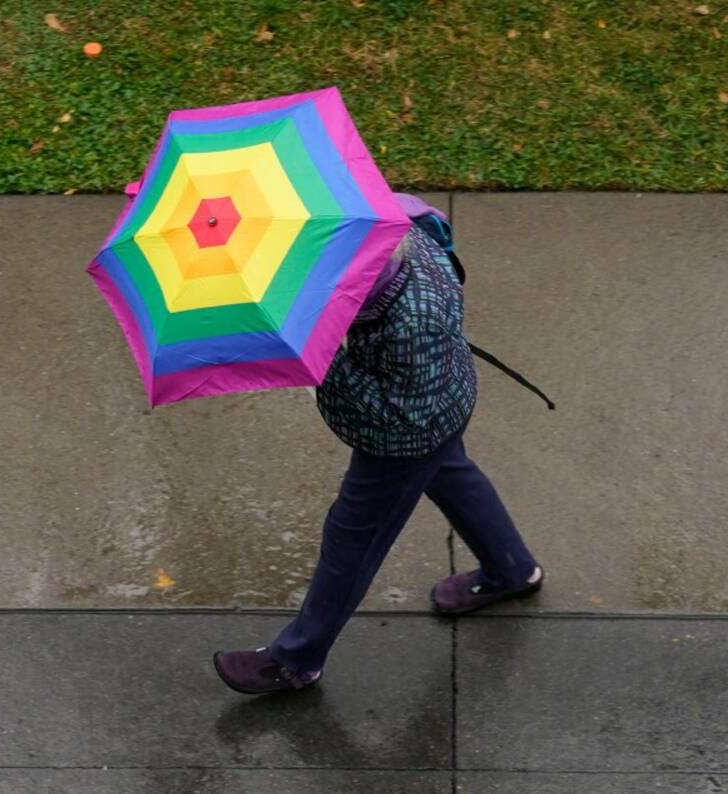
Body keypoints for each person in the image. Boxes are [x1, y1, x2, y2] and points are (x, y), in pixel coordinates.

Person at [213, 195, 544, 695]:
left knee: (352, 537)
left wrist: (319, 355)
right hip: (447, 393)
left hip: (412, 431)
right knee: (452, 473)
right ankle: (512, 570)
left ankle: (296, 660)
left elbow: (399, 419)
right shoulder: (389, 229)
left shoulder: (413, 324)